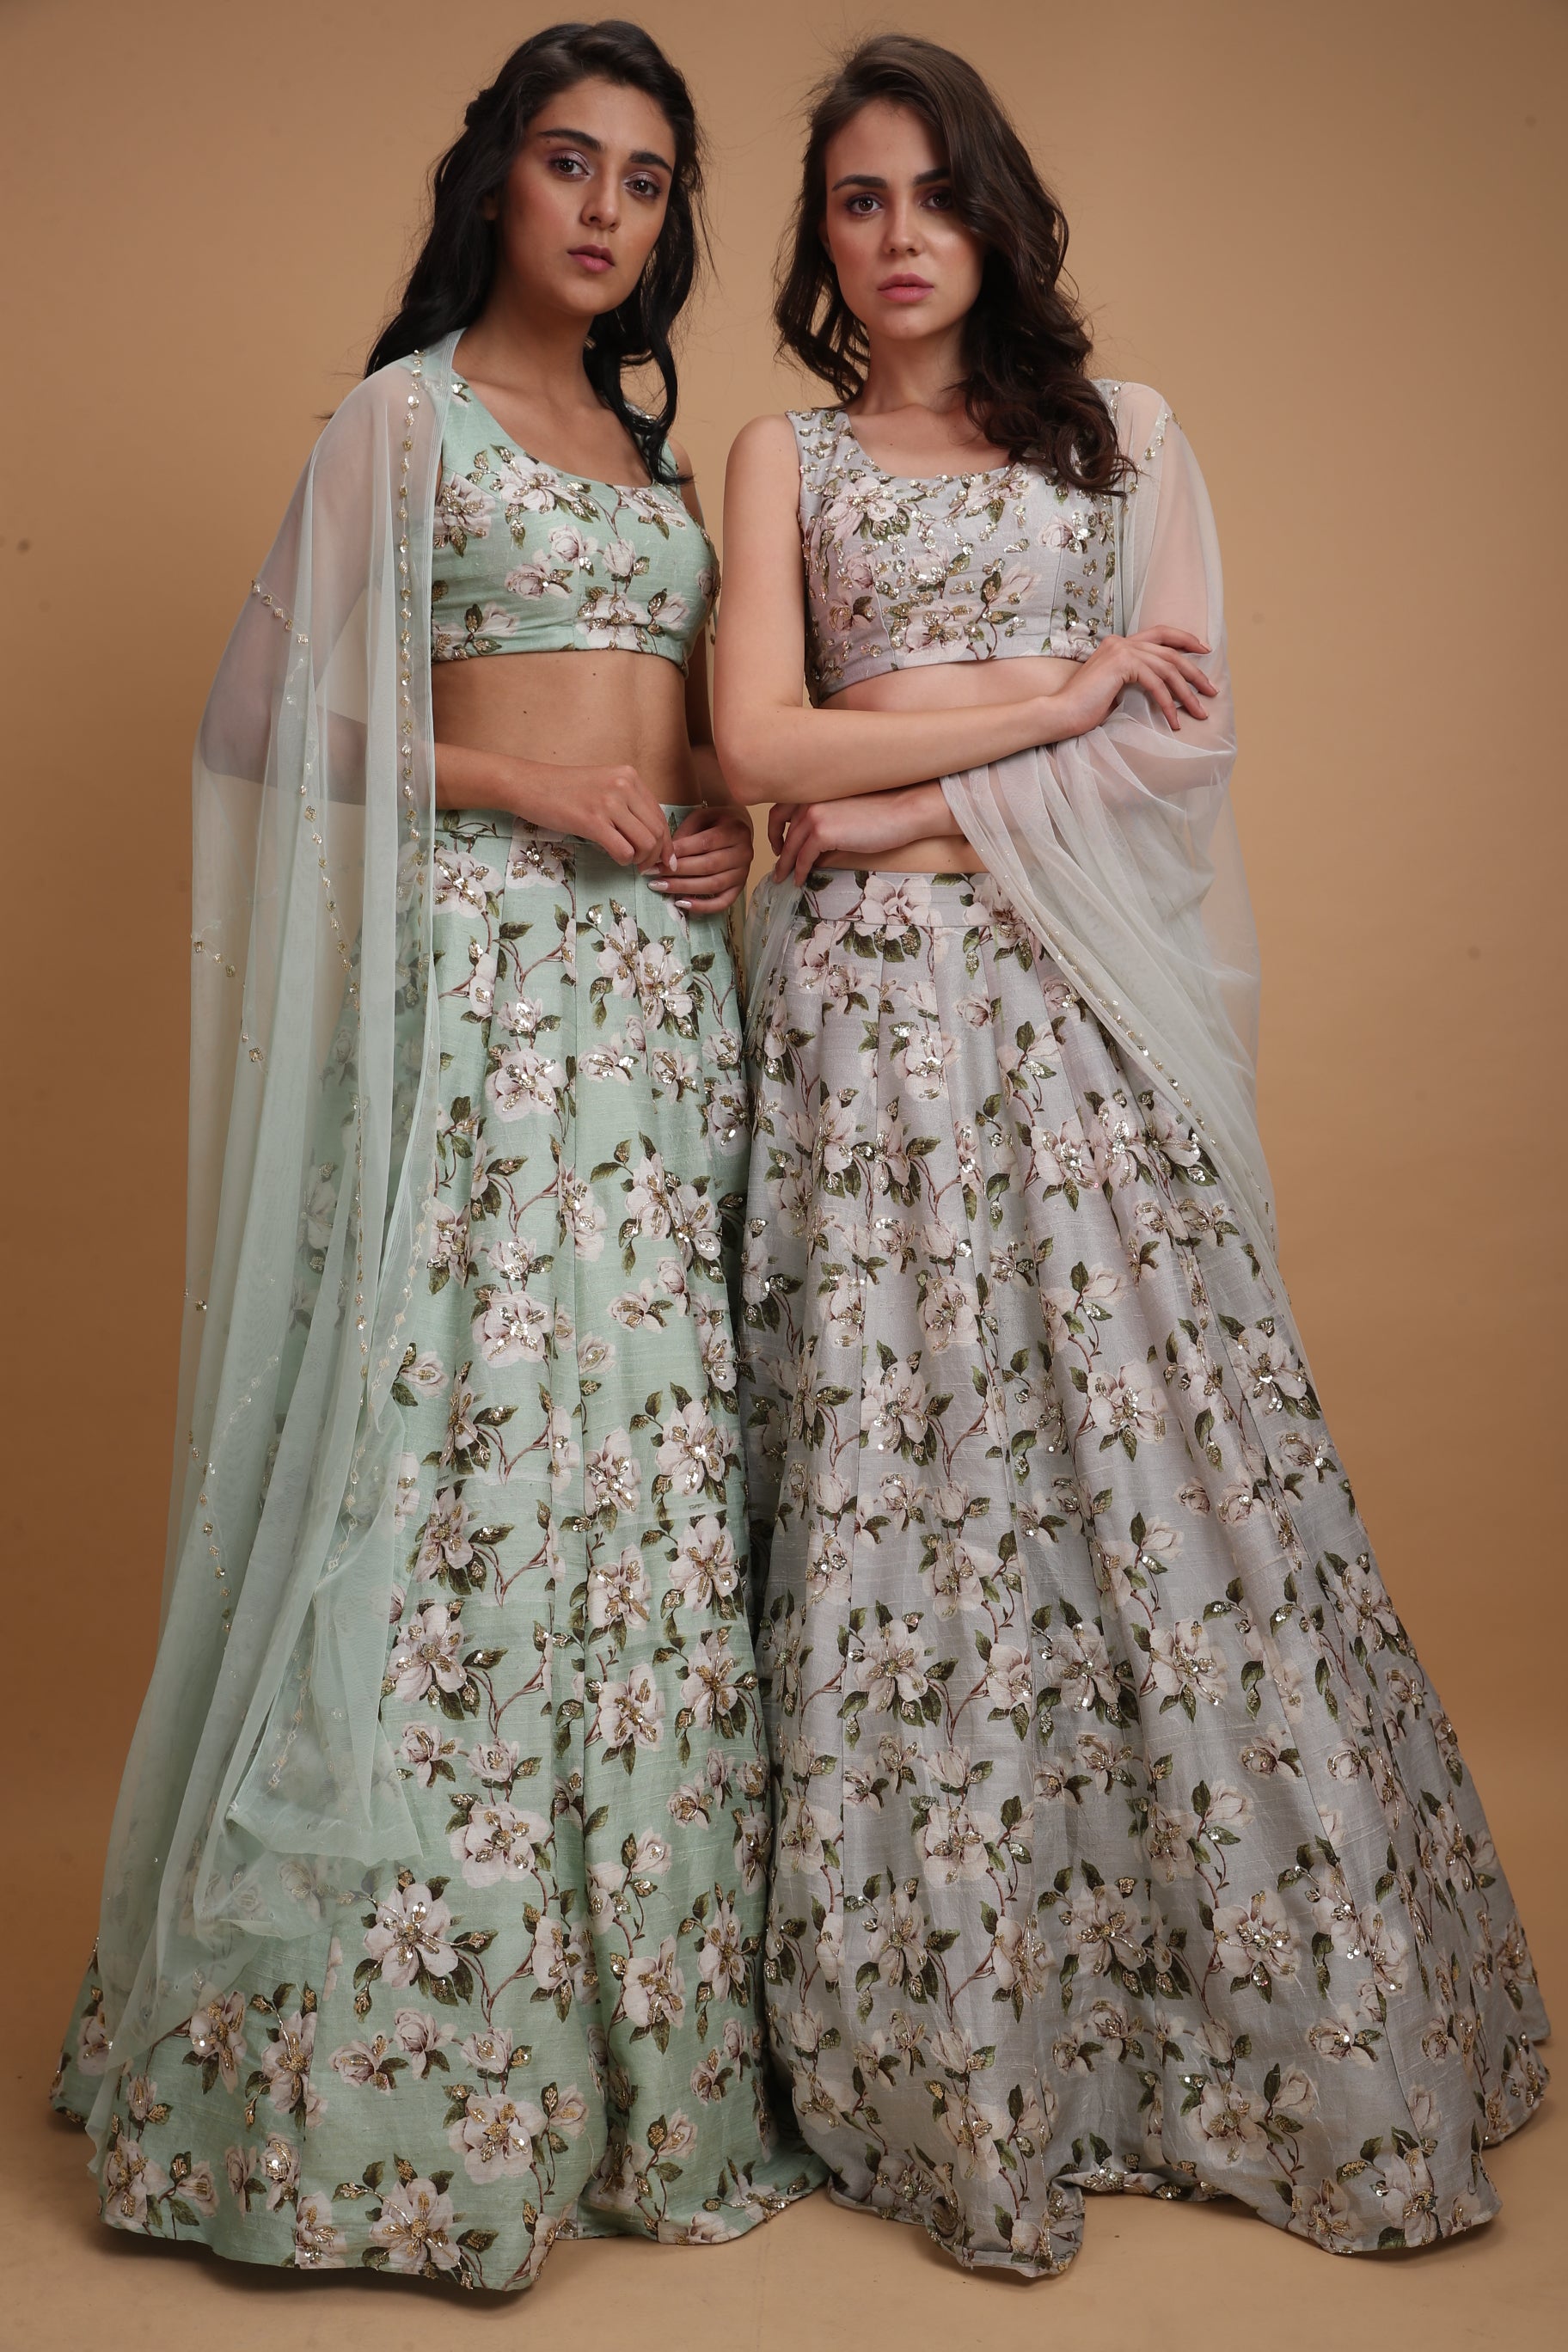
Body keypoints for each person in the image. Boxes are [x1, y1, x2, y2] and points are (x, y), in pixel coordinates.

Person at [715, 31, 1547, 2279]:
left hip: (1075, 1014)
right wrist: (1057, 700)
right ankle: (947, 2027)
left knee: (1156, 1465)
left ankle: (1236, 2011)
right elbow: (756, 743)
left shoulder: (1129, 440)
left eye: (933, 193)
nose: (898, 238)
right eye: (858, 201)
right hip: (867, 1040)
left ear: (1000, 212)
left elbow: (1183, 746)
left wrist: (913, 798)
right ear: (821, 238)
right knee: (908, 1469)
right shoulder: (783, 456)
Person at [52, 20, 821, 2288]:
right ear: (495, 182)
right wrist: (520, 791)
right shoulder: (405, 419)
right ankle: (362, 2076)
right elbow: (257, 715)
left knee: (636, 1472)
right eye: (572, 163)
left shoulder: (650, 457)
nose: (607, 210)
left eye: (649, 181)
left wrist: (719, 834)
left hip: (652, 1008)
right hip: (485, 991)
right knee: (452, 1450)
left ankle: (622, 2045)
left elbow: (691, 739)